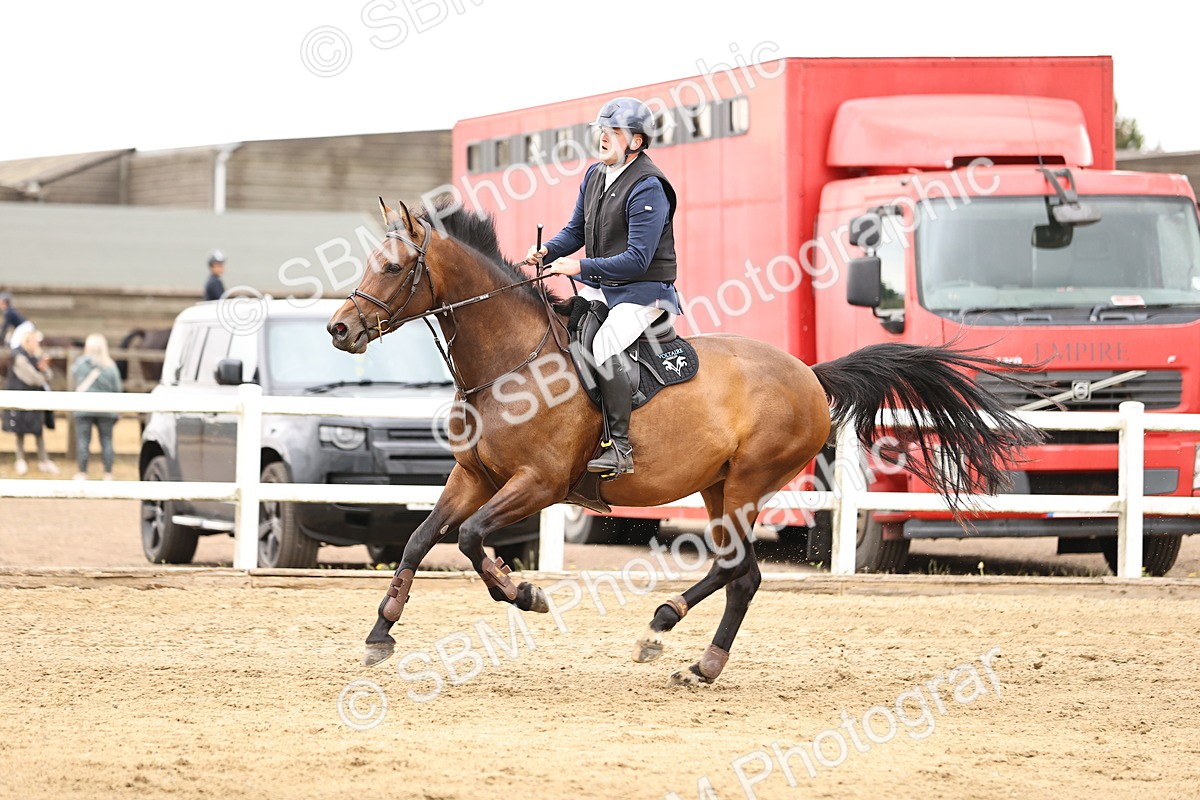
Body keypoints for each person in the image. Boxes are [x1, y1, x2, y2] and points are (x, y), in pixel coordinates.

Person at [524, 97, 680, 480]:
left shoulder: (649, 187)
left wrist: (579, 266)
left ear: (636, 142)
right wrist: (548, 251)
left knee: (606, 343)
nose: (603, 137)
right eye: (602, 130)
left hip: (643, 292)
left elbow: (637, 260)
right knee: (562, 331)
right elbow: (576, 230)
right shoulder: (595, 175)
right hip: (603, 287)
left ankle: (620, 448)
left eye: (613, 132)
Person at [2, 321, 59, 475]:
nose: (37, 343)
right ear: (27, 341)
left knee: (37, 429)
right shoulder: (18, 356)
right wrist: (42, 374)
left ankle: (43, 460)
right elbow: (32, 378)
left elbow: (48, 376)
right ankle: (20, 459)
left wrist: (44, 369)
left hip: (35, 398)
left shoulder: (36, 356)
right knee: (20, 430)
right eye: (34, 340)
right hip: (20, 397)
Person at [71, 333, 123, 481]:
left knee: (83, 441)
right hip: (105, 409)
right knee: (107, 441)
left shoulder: (79, 364)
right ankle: (108, 473)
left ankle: (82, 472)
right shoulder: (110, 366)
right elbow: (117, 389)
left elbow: (74, 382)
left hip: (84, 408)